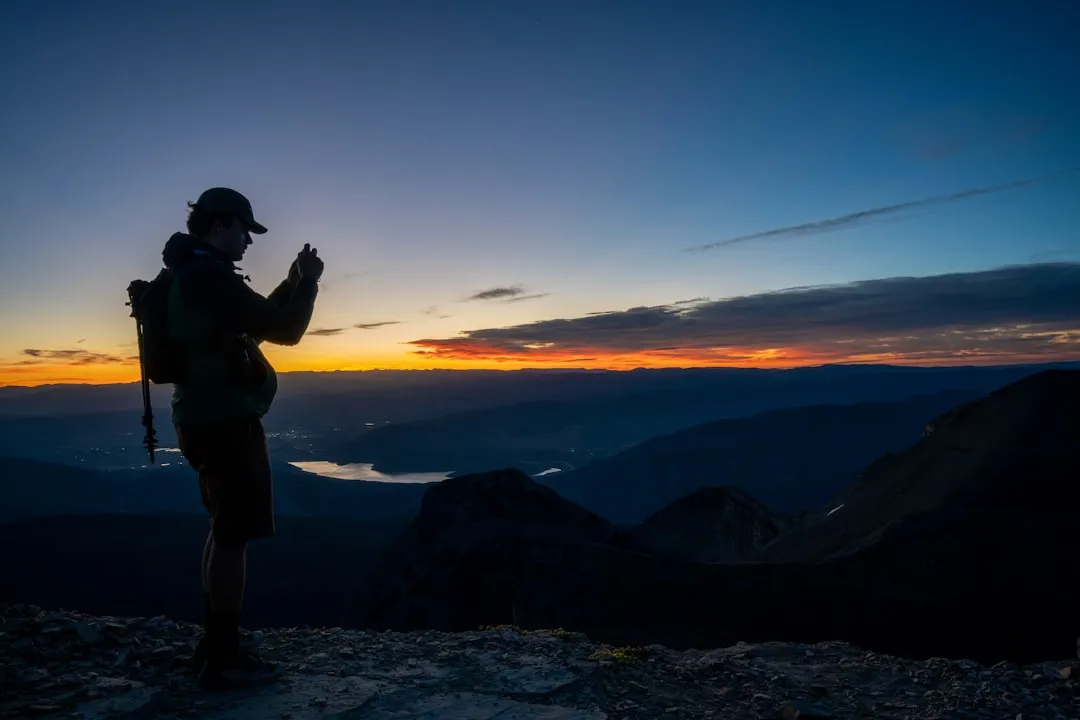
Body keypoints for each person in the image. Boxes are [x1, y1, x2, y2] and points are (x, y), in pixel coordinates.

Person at [162, 187, 323, 689]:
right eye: (245, 231)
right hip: (226, 422)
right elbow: (286, 330)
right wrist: (309, 284)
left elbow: (253, 326)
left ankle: (216, 645)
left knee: (223, 528)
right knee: (234, 536)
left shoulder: (188, 274)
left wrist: (290, 280)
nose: (249, 242)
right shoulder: (209, 276)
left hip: (199, 416)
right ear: (220, 226)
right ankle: (224, 660)